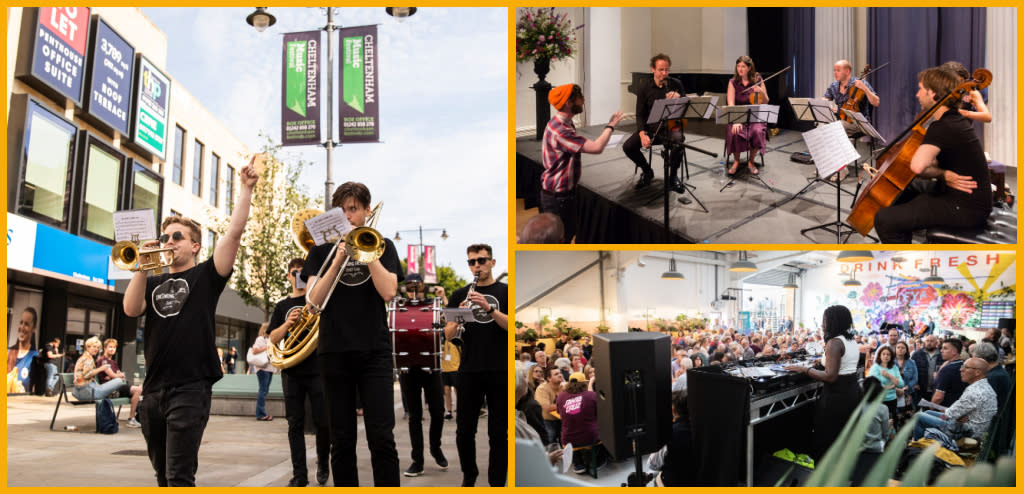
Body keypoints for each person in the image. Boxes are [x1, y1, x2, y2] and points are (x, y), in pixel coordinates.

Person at [123, 158, 258, 486]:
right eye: (165, 237)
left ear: (195, 245)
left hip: (190, 387)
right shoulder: (152, 280)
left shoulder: (206, 276)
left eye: (177, 237)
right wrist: (142, 266)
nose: (168, 242)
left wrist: (246, 188)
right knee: (162, 477)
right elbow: (130, 309)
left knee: (179, 477)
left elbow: (234, 233)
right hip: (153, 390)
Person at [302, 181, 401, 487]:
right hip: (335, 352)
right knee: (341, 441)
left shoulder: (382, 244)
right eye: (342, 210)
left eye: (353, 209)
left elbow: (389, 292)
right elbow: (313, 302)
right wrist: (337, 260)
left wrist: (366, 252)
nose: (348, 216)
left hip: (375, 352)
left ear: (366, 211)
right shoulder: (320, 251)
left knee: (382, 438)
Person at [873, 67, 992, 243]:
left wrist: (943, 174)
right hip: (969, 198)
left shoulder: (943, 126)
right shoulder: (952, 119)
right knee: (903, 193)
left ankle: (902, 265)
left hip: (967, 207)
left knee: (884, 219)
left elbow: (917, 166)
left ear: (934, 94)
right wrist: (943, 173)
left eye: (921, 89)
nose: (917, 95)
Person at [444, 244, 508, 486]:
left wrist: (488, 308)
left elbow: (513, 326)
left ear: (492, 262)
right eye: (471, 262)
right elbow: (449, 335)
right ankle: (469, 476)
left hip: (499, 369)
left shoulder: (506, 291)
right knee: (464, 431)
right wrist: (458, 315)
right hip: (469, 369)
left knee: (498, 433)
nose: (476, 266)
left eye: (481, 260)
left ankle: (497, 482)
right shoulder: (460, 294)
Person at [269, 257, 330, 487]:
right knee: (294, 424)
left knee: (323, 422)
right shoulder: (282, 306)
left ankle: (323, 463)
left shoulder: (317, 302)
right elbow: (272, 338)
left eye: (304, 273)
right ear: (288, 276)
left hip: (317, 369)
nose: (299, 277)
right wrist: (288, 325)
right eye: (295, 273)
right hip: (292, 370)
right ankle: (300, 475)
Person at [541, 83, 625, 243]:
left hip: (560, 194)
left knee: (568, 235)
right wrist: (611, 125)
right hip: (558, 197)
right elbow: (596, 147)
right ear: (568, 102)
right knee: (560, 240)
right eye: (580, 98)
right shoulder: (561, 130)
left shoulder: (562, 122)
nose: (583, 100)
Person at [784, 305, 862, 459]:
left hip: (837, 398)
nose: (822, 324)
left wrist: (804, 369)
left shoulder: (834, 342)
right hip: (852, 392)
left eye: (824, 320)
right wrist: (823, 361)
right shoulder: (851, 340)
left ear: (834, 322)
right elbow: (844, 365)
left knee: (828, 439)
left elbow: (830, 376)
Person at [395, 273, 449, 477]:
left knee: (438, 411)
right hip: (408, 367)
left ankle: (436, 448)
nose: (413, 291)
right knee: (414, 416)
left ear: (423, 287)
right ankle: (417, 460)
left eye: (416, 287)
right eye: (409, 288)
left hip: (432, 366)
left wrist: (444, 299)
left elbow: (449, 321)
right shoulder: (399, 307)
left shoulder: (433, 305)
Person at [622, 53, 686, 190]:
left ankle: (673, 176)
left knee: (678, 141)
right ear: (653, 69)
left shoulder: (676, 84)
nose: (664, 73)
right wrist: (642, 134)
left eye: (667, 70)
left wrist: (679, 98)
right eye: (661, 70)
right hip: (651, 129)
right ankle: (647, 171)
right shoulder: (644, 88)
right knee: (628, 146)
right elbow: (639, 115)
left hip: (671, 126)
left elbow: (686, 106)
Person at [912, 357, 997, 441]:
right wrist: (956, 416)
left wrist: (954, 416)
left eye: (966, 367)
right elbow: (954, 413)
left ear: (978, 372)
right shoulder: (985, 386)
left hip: (967, 433)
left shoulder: (974, 391)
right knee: (928, 412)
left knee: (918, 416)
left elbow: (950, 414)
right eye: (962, 366)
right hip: (968, 427)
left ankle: (917, 449)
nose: (961, 370)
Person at [725, 55, 770, 176]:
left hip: (754, 118)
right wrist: (736, 120)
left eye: (743, 66)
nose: (740, 69)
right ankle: (736, 161)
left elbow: (765, 101)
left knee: (757, 130)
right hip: (737, 116)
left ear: (749, 68)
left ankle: (751, 162)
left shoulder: (757, 79)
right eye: (738, 66)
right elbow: (731, 103)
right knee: (735, 130)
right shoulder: (733, 82)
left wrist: (760, 91)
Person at [557, 372, 601, 475]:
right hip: (590, 437)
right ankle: (595, 462)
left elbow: (559, 413)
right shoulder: (591, 395)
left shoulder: (561, 397)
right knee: (600, 430)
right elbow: (599, 413)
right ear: (584, 384)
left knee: (571, 430)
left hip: (568, 439)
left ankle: (578, 463)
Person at [823, 59, 881, 136]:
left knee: (837, 127)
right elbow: (824, 99)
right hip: (841, 118)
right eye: (834, 70)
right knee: (825, 126)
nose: (835, 73)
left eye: (838, 70)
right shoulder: (834, 86)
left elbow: (876, 102)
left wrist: (865, 88)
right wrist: (828, 105)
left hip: (858, 123)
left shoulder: (861, 83)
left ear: (847, 71)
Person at [850, 377, 891, 486]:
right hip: (875, 450)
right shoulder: (883, 408)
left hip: (856, 450)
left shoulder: (856, 406)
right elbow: (886, 433)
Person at [96, 338, 143, 428]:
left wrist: (115, 376)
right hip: (110, 389)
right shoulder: (103, 361)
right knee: (138, 390)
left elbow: (121, 376)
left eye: (114, 347)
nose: (112, 349)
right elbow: (115, 375)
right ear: (105, 348)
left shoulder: (113, 362)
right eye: (110, 347)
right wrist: (115, 376)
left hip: (118, 386)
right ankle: (131, 419)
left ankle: (139, 418)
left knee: (139, 392)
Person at [72, 337, 123, 402]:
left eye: (98, 347)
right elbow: (87, 375)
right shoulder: (88, 359)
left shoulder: (84, 357)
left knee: (116, 384)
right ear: (88, 347)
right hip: (87, 392)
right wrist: (101, 368)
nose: (96, 349)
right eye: (94, 347)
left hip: (80, 391)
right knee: (119, 381)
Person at [867, 345, 904, 421]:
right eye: (883, 354)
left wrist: (889, 376)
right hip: (879, 400)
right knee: (881, 422)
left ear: (891, 357)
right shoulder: (875, 367)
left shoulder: (894, 367)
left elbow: (901, 384)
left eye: (888, 354)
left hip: (892, 400)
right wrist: (890, 386)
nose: (886, 356)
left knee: (892, 422)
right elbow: (872, 384)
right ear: (879, 356)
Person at [7, 307, 39, 394]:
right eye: (21, 323)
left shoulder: (35, 356)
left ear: (34, 328)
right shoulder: (7, 352)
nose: (22, 327)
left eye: (26, 324)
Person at [931, 338, 967, 407]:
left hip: (944, 409)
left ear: (954, 351)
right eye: (941, 348)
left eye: (945, 348)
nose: (941, 351)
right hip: (957, 407)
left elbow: (938, 397)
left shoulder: (947, 369)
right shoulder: (964, 364)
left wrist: (931, 408)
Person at [251, 325, 275, 421]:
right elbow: (255, 350)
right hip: (262, 368)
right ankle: (260, 414)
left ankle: (261, 413)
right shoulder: (260, 339)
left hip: (269, 368)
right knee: (263, 390)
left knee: (264, 391)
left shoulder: (269, 339)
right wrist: (267, 347)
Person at [535, 366, 563, 446]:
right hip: (548, 421)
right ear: (549, 378)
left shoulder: (564, 386)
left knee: (564, 443)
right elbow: (547, 408)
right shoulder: (542, 389)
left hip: (562, 419)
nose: (560, 375)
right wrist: (565, 405)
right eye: (556, 374)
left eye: (560, 373)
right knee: (550, 443)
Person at [911, 334, 943, 403]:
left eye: (931, 341)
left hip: (936, 389)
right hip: (920, 388)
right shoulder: (917, 354)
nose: (929, 343)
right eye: (927, 341)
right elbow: (912, 370)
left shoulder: (942, 355)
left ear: (936, 343)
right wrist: (914, 383)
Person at [893, 341, 918, 425]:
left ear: (906, 350)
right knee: (894, 417)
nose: (900, 349)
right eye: (898, 347)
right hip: (893, 394)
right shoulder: (890, 362)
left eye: (903, 348)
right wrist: (896, 389)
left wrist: (906, 387)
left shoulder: (911, 362)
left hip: (908, 394)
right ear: (895, 349)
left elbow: (915, 378)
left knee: (907, 418)